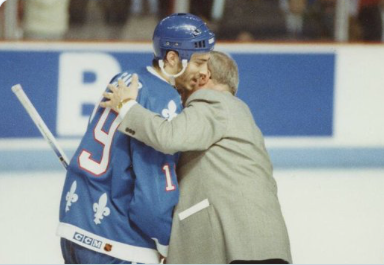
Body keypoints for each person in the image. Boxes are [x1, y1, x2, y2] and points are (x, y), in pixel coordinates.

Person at [100, 51, 293, 264]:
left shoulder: (212, 103)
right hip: (261, 244)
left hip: (235, 247)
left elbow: (169, 136)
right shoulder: (237, 113)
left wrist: (126, 106)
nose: (178, 93)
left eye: (182, 87)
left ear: (204, 77)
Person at [56, 13, 215, 263]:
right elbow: (153, 196)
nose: (204, 72)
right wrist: (166, 242)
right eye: (199, 62)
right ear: (173, 58)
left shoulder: (125, 79)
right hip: (116, 244)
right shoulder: (163, 101)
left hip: (74, 226)